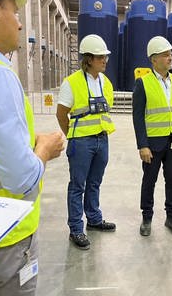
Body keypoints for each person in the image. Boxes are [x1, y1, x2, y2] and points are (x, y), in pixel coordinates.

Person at [0, 0, 64, 294]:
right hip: (5, 237)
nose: (20, 24)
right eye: (16, 12)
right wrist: (44, 148)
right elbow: (20, 178)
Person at [56, 34, 116, 251]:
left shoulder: (106, 83)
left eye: (105, 57)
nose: (105, 60)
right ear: (89, 59)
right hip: (81, 143)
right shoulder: (71, 83)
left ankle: (94, 219)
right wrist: (72, 135)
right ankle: (76, 229)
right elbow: (61, 114)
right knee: (77, 186)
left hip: (102, 139)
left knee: (94, 183)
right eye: (101, 57)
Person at [132, 36, 172, 237]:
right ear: (154, 59)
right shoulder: (143, 83)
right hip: (153, 144)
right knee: (149, 181)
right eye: (165, 55)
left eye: (170, 54)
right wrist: (142, 145)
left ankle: (171, 218)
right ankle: (147, 217)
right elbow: (138, 117)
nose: (170, 57)